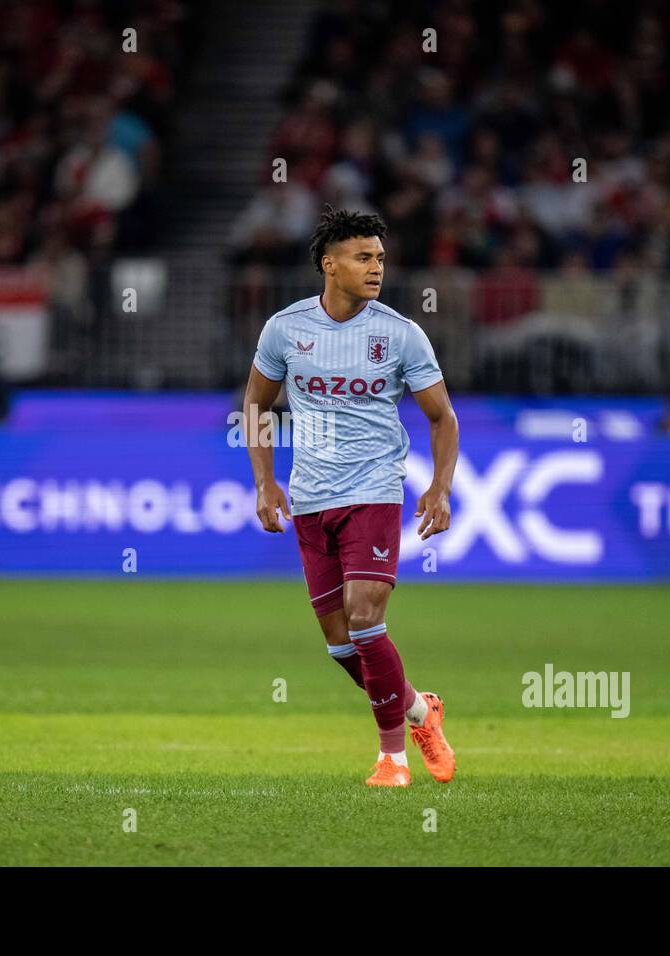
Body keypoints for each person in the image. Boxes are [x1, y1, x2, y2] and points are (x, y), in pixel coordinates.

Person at [241, 206, 460, 787]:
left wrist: (440, 487)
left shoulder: (400, 334)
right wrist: (265, 481)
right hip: (312, 500)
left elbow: (442, 417)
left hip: (375, 493)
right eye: (363, 258)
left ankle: (392, 759)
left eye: (380, 258)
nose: (376, 268)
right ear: (328, 264)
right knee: (342, 646)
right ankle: (419, 710)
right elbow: (257, 406)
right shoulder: (285, 329)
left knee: (366, 619)